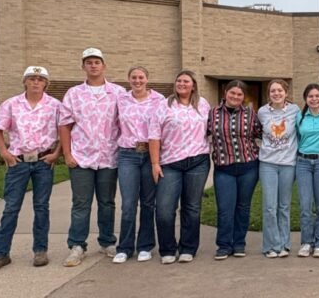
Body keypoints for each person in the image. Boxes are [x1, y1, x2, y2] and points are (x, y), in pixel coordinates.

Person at [0, 66, 62, 274]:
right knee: (11, 207)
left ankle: (40, 250)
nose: (36, 82)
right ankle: (0, 253)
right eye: (32, 78)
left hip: (43, 161)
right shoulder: (11, 104)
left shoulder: (55, 105)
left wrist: (57, 153)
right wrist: (4, 152)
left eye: (40, 79)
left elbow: (65, 130)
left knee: (41, 207)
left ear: (46, 83)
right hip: (19, 162)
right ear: (25, 82)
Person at [60, 48, 126, 267]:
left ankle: (107, 241)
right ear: (83, 66)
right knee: (81, 203)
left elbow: (126, 122)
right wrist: (67, 154)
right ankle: (77, 245)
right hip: (81, 157)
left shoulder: (117, 92)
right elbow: (64, 125)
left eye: (97, 62)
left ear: (104, 65)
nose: (93, 65)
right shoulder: (73, 93)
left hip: (109, 157)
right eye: (89, 62)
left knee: (107, 202)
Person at [149, 70, 211, 264]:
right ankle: (167, 249)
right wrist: (155, 163)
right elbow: (154, 135)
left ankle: (188, 248)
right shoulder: (163, 106)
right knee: (165, 209)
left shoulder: (203, 104)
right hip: (170, 163)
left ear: (193, 85)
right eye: (179, 81)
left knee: (192, 207)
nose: (182, 84)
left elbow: (212, 129)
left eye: (186, 81)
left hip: (198, 161)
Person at [113, 66, 164, 264]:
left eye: (141, 77)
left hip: (150, 153)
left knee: (148, 202)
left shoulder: (159, 100)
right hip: (128, 154)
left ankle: (145, 245)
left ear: (147, 79)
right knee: (128, 203)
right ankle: (124, 247)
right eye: (133, 77)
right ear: (129, 79)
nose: (137, 80)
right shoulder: (121, 99)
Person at [208, 80, 262, 260]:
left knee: (243, 207)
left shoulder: (250, 114)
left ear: (243, 97)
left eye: (239, 94)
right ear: (225, 93)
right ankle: (224, 245)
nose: (235, 97)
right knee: (225, 208)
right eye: (232, 93)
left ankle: (239, 243)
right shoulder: (212, 113)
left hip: (248, 166)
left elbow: (261, 134)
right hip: (224, 167)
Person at [258, 79, 299, 258]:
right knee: (269, 206)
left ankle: (284, 244)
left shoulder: (295, 111)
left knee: (284, 206)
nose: (276, 94)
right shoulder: (262, 112)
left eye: (280, 91)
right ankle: (271, 245)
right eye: (273, 91)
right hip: (268, 163)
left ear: (286, 93)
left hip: (288, 163)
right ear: (269, 94)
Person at [295, 84, 319, 258]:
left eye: (317, 96)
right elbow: (296, 138)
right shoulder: (300, 117)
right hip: (303, 162)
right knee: (305, 205)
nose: (314, 99)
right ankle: (306, 242)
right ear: (305, 99)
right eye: (310, 96)